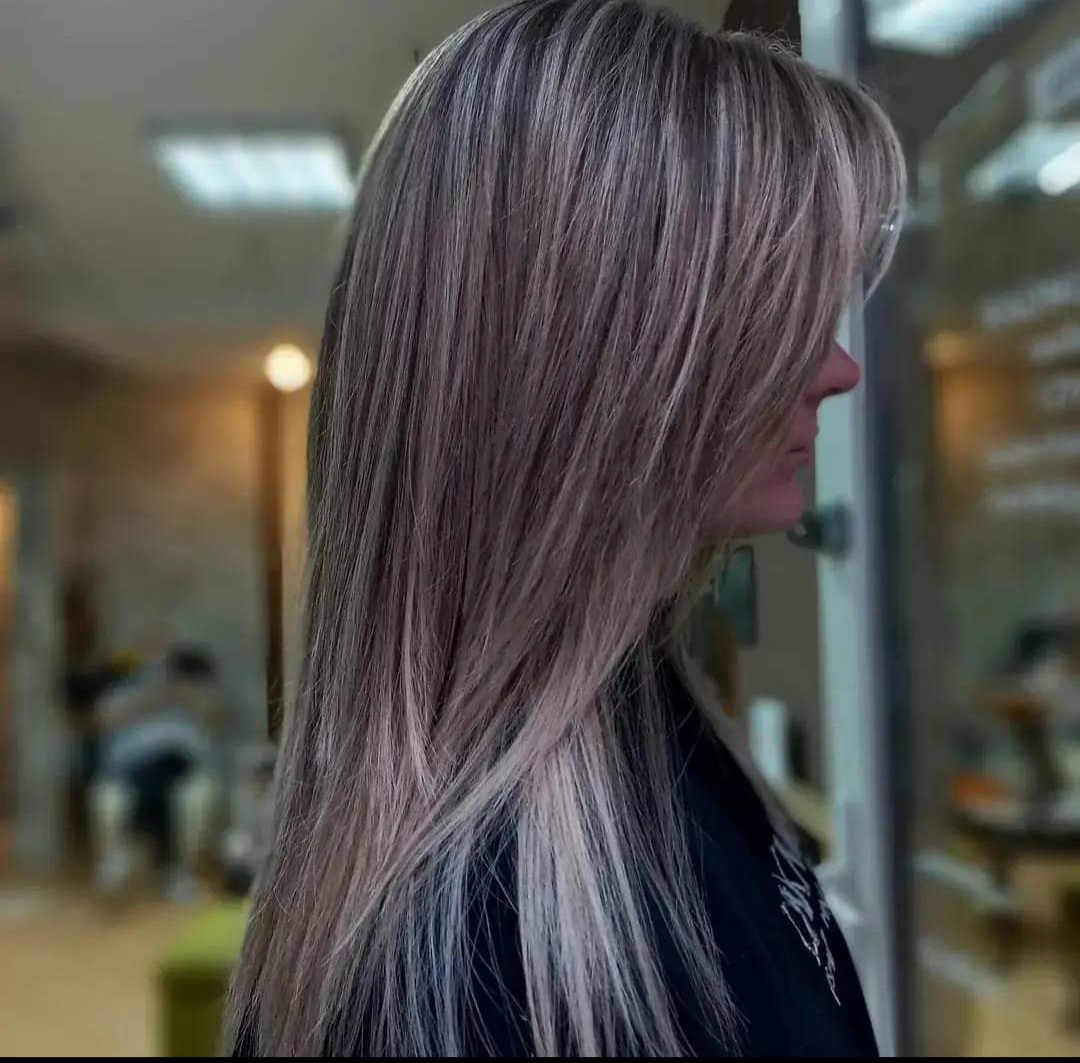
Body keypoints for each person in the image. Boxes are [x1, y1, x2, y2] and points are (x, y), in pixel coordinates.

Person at [228, 1, 904, 1055]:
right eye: (780, 308)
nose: (839, 368)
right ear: (605, 355)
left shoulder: (635, 715)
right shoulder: (477, 961)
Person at [90, 645, 223, 901]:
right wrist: (153, 698)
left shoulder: (191, 689)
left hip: (181, 762)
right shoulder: (124, 691)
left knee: (169, 772)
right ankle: (165, 866)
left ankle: (152, 858)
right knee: (153, 775)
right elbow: (103, 719)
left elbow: (214, 715)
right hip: (132, 766)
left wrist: (182, 693)